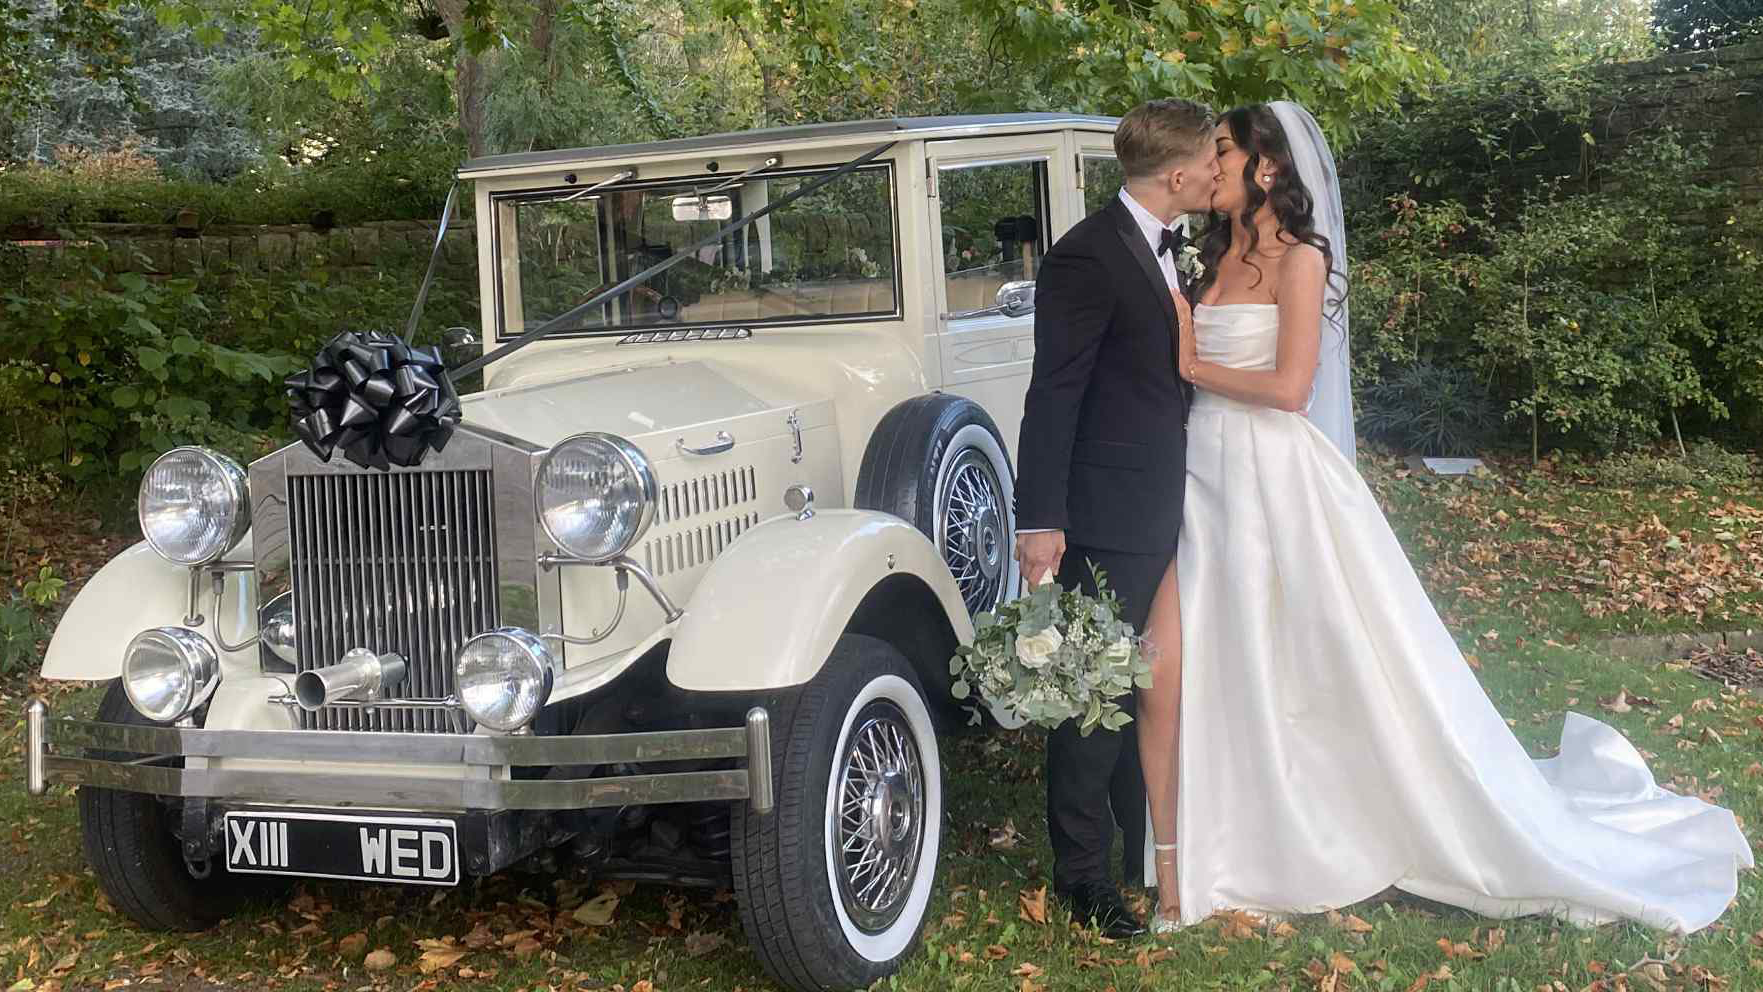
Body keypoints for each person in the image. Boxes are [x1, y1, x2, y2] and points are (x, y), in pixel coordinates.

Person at [1132, 100, 1754, 936]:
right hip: (1196, 474)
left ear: (1267, 169)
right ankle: (1203, 846)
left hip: (1270, 477)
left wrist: (1191, 361)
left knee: (1295, 655)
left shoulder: (1299, 259)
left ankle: (1304, 830)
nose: (1212, 170)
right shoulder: (1203, 256)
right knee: (1192, 656)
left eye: (1224, 155)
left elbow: (1289, 390)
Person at [1012, 98, 1220, 939]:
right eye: (1209, 160)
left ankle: (1142, 845)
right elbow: (1052, 393)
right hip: (1106, 509)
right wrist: (1041, 520)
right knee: (1089, 693)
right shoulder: (1084, 257)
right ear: (1177, 175)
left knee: (1145, 683)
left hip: (1174, 499)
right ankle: (1084, 878)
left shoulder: (1174, 246)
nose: (1215, 172)